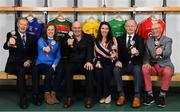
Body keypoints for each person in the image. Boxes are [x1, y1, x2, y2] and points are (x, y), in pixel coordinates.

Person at [3, 17, 36, 109]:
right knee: (21, 71)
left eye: (25, 24)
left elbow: (34, 53)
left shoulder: (31, 37)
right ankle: (23, 98)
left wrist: (29, 60)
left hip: (27, 63)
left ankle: (35, 95)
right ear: (18, 25)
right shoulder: (11, 34)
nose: (23, 26)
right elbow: (5, 46)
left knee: (36, 70)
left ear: (27, 26)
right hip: (14, 64)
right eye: (21, 24)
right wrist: (9, 43)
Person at [113, 19, 144, 108]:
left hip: (135, 64)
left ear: (135, 27)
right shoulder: (119, 39)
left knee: (138, 69)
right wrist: (117, 61)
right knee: (116, 70)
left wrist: (137, 52)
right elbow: (116, 52)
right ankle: (121, 95)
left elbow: (142, 53)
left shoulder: (140, 39)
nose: (130, 28)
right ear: (125, 27)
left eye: (132, 26)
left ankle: (137, 96)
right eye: (128, 26)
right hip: (123, 64)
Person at [63, 21, 94, 108]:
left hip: (84, 62)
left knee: (90, 70)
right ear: (71, 28)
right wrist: (68, 45)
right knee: (67, 70)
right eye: (75, 28)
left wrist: (89, 61)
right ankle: (69, 97)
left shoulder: (88, 37)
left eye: (78, 28)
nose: (77, 30)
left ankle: (89, 98)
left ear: (82, 28)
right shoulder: (67, 37)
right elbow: (64, 54)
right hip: (71, 62)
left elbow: (90, 51)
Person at [142, 23, 174, 108]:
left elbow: (168, 52)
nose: (154, 31)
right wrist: (146, 63)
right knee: (144, 68)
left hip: (164, 65)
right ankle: (150, 95)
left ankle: (162, 96)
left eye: (156, 28)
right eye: (152, 29)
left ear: (160, 29)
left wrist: (162, 52)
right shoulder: (149, 41)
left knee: (168, 71)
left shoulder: (168, 40)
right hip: (153, 66)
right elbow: (146, 55)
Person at [32, 23, 61, 105]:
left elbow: (58, 56)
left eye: (52, 29)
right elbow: (44, 48)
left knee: (60, 70)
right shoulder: (41, 40)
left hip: (51, 63)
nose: (50, 31)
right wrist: (47, 47)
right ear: (46, 31)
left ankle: (53, 93)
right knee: (48, 69)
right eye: (49, 29)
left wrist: (54, 64)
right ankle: (46, 93)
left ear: (55, 31)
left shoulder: (57, 42)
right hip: (41, 63)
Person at [94, 21, 118, 104]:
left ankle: (107, 94)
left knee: (106, 72)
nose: (104, 30)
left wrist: (113, 55)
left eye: (106, 29)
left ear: (109, 30)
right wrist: (97, 61)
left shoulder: (113, 39)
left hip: (110, 61)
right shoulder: (96, 40)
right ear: (100, 29)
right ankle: (101, 95)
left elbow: (115, 53)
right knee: (98, 72)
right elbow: (95, 54)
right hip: (99, 62)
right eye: (103, 28)